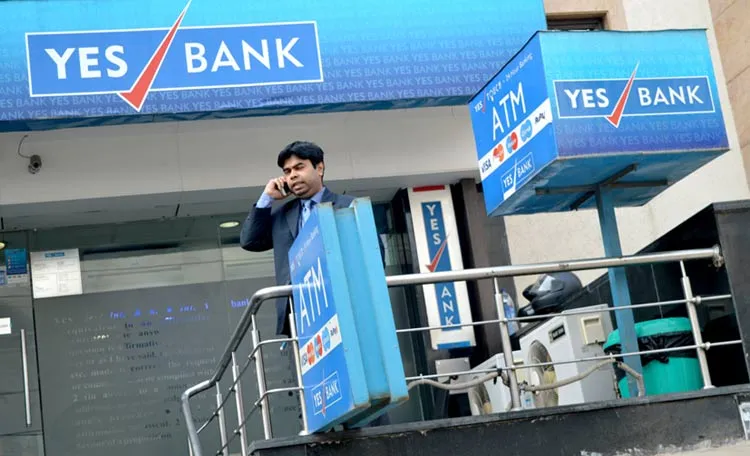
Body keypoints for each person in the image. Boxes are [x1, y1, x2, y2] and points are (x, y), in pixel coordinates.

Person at [240, 141, 355, 337]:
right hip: (298, 316)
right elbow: (250, 241)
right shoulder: (282, 215)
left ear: (319, 168)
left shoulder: (348, 206)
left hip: (343, 307)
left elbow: (372, 256)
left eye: (299, 167)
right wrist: (267, 198)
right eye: (287, 171)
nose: (292, 175)